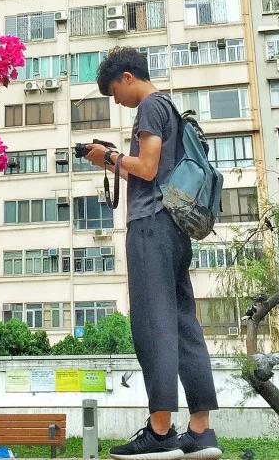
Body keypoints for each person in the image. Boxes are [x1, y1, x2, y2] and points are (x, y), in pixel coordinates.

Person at [82, 47, 222, 460]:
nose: (117, 101)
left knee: (152, 323)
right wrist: (110, 163)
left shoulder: (149, 107)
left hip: (150, 226)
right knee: (183, 324)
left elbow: (144, 168)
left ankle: (160, 431)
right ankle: (200, 431)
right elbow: (153, 172)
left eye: (114, 92)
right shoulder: (170, 110)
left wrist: (108, 156)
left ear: (127, 77)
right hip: (175, 228)